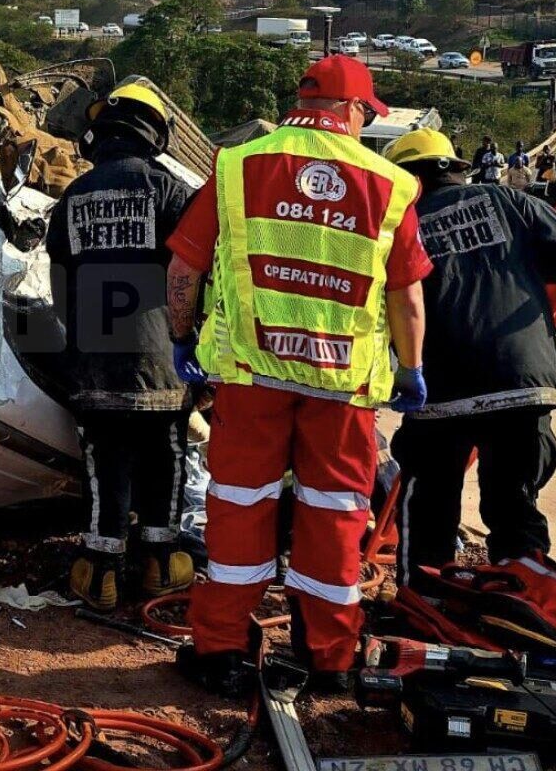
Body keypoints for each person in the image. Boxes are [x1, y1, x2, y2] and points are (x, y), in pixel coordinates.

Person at [166, 55, 431, 696]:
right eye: (366, 113)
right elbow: (407, 299)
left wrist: (181, 339)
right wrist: (412, 369)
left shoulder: (236, 167)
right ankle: (329, 654)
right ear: (351, 110)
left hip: (251, 376)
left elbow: (183, 270)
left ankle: (223, 649)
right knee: (337, 515)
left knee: (238, 508)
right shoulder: (389, 184)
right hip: (341, 390)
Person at [381, 129, 556, 592]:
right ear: (454, 169)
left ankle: (422, 606)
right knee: (516, 508)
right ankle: (527, 610)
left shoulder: (399, 225)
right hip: (522, 382)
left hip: (439, 391)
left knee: (429, 510)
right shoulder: (507, 201)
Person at [45, 78, 197, 612]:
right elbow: (196, 275)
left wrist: (84, 344)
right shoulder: (171, 192)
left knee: (103, 465)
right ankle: (161, 566)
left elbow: (59, 287)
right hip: (163, 367)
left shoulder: (71, 200)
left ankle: (99, 570)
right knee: (166, 460)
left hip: (94, 368)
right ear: (155, 132)